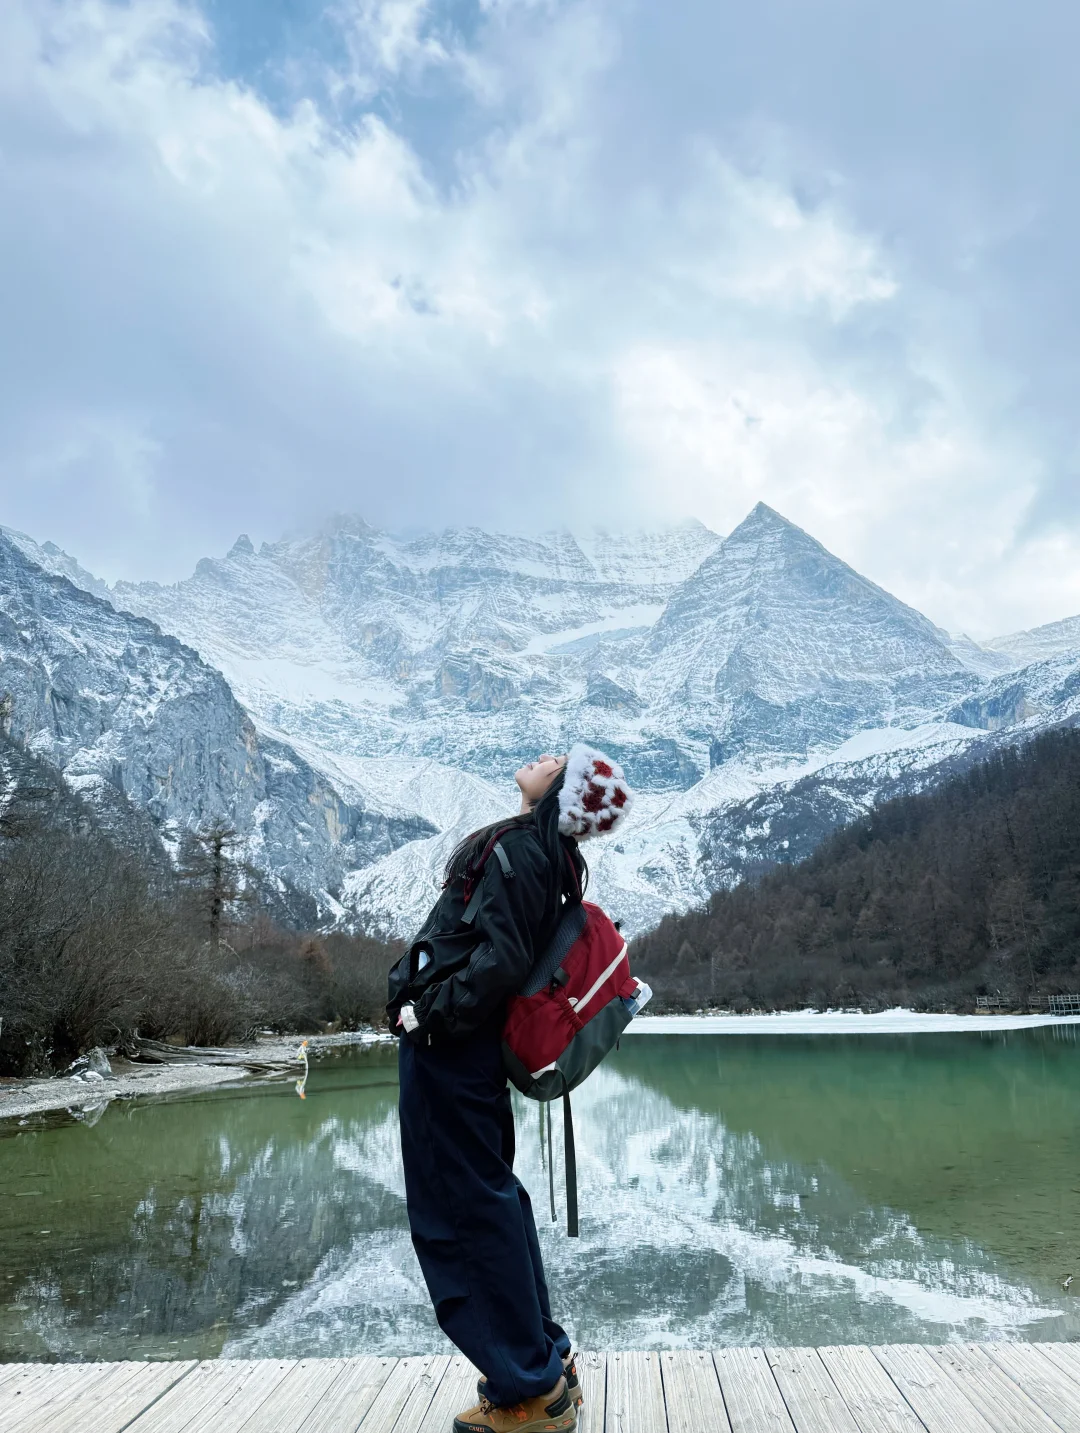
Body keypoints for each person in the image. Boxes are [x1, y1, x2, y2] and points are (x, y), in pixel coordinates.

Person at [387, 745, 634, 1433]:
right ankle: (544, 1369)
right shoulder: (537, 851)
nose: (546, 754)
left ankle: (528, 1390)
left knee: (462, 1212)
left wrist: (425, 1013)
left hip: (451, 1049)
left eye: (561, 759)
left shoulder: (526, 852)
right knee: (490, 1201)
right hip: (462, 1051)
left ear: (564, 790)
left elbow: (498, 962)